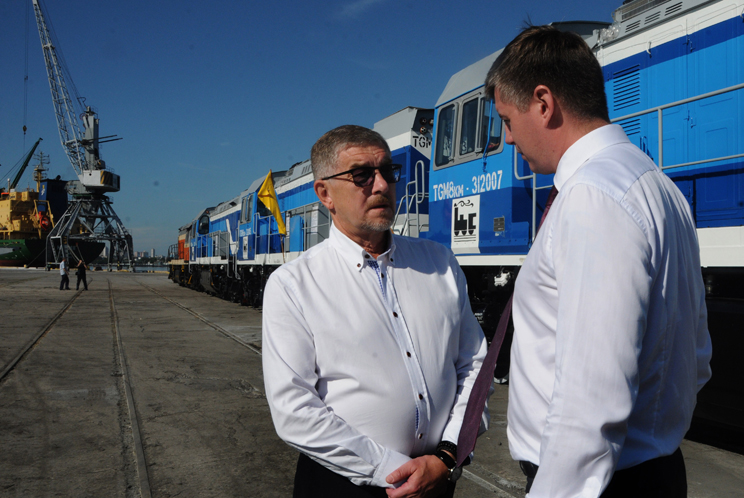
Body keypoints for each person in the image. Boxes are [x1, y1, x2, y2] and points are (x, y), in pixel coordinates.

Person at [483, 25, 712, 497]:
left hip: (601, 484)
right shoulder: (658, 186)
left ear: (543, 103)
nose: (507, 139)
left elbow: (590, 401)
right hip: (650, 470)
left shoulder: (591, 196)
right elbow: (698, 359)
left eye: (507, 118)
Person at [262, 125, 488, 498]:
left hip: (437, 479)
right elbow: (294, 409)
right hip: (344, 486)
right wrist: (390, 471)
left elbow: (475, 367)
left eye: (388, 171)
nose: (381, 185)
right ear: (325, 193)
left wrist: (447, 455)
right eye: (362, 175)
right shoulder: (293, 285)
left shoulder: (440, 265)